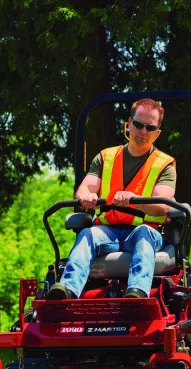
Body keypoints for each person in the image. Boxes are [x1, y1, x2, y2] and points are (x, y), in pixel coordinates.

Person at [46, 98, 177, 300]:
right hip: (108, 231)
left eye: (150, 127)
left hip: (146, 231)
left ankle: (137, 292)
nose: (143, 131)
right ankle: (67, 290)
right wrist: (86, 197)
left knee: (143, 232)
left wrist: (134, 199)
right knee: (87, 234)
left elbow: (162, 206)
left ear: (157, 132)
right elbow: (85, 188)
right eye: (138, 124)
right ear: (129, 123)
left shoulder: (165, 164)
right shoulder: (105, 157)